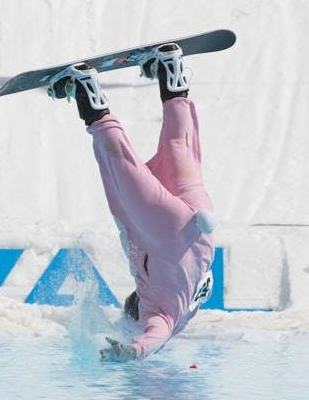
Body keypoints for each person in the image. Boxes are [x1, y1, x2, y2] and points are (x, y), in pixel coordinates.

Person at [48, 43, 216, 361]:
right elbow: (157, 335)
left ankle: (170, 66)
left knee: (179, 145)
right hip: (168, 230)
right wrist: (133, 351)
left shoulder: (189, 304)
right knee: (121, 164)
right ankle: (84, 85)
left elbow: (201, 280)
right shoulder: (162, 313)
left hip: (201, 218)